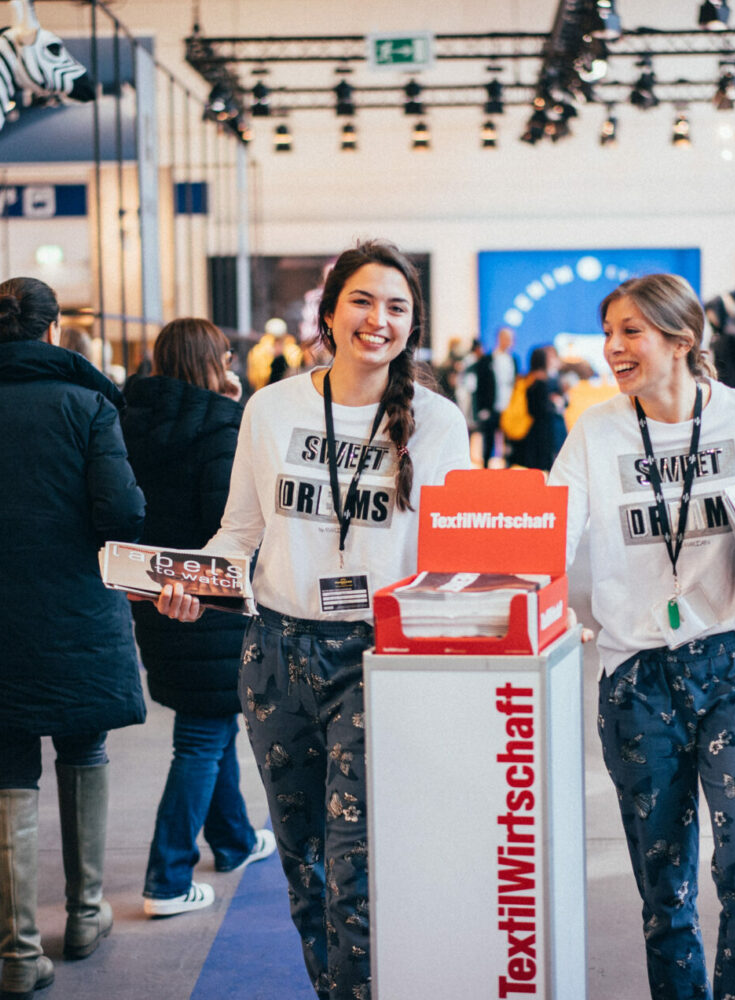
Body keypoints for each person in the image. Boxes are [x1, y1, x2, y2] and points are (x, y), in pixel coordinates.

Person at [157, 240, 471, 999]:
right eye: (362, 301)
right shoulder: (271, 409)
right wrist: (194, 584)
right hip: (276, 654)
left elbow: (449, 557)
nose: (378, 320)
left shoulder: (436, 421)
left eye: (397, 307)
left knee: (356, 866)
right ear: (329, 313)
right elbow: (239, 532)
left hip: (380, 656)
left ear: (412, 324)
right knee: (303, 864)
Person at [548, 274, 735, 1000]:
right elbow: (554, 530)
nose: (612, 347)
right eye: (609, 332)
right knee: (663, 893)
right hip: (638, 676)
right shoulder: (595, 432)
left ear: (681, 340)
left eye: (631, 331)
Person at [0, 277, 147, 1000]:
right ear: (53, 332)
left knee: (9, 763)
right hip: (77, 617)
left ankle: (18, 954)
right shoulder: (89, 405)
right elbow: (121, 517)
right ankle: (84, 915)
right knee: (86, 744)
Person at [121, 318, 275, 919]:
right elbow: (230, 522)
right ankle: (166, 877)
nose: (235, 362)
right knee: (202, 737)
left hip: (156, 599)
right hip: (213, 601)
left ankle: (234, 841)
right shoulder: (222, 426)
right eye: (228, 354)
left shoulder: (128, 423)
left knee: (208, 721)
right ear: (212, 361)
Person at [510, 344, 567, 472]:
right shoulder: (543, 382)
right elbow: (542, 409)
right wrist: (554, 404)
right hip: (544, 430)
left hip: (529, 428)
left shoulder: (525, 380)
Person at [473, 325, 517, 466]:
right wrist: (482, 409)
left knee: (509, 443)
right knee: (489, 441)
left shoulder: (514, 360)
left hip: (509, 407)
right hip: (492, 407)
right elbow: (480, 387)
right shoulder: (487, 360)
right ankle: (485, 469)